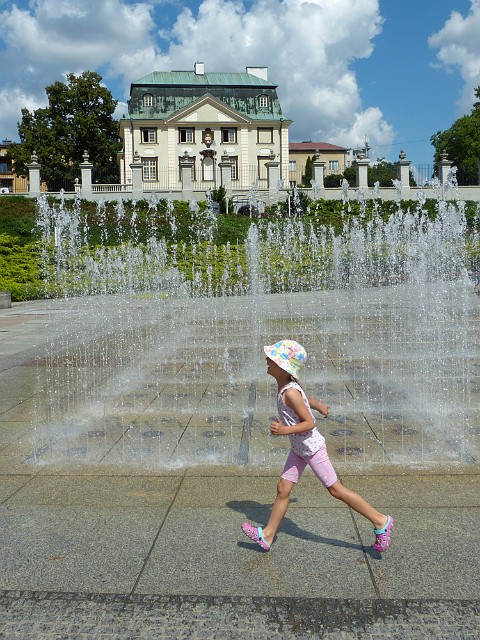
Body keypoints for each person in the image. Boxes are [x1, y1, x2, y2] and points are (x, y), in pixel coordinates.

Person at [241, 339, 394, 553]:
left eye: (272, 359)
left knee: (335, 489)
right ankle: (267, 535)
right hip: (299, 448)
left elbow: (309, 423)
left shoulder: (290, 392)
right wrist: (320, 405)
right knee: (283, 488)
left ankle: (380, 521)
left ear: (283, 366)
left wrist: (284, 429)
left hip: (311, 448)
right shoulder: (289, 385)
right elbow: (307, 399)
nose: (267, 360)